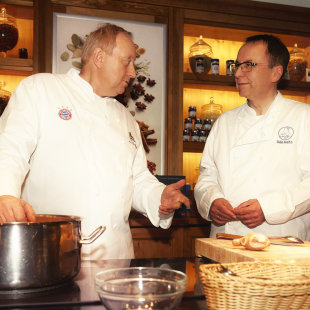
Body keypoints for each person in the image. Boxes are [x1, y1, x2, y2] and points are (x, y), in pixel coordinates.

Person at [0, 23, 190, 259]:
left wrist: (159, 197)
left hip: (116, 254)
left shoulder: (126, 118)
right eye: (126, 61)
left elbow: (138, 179)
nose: (132, 72)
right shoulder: (41, 89)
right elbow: (10, 147)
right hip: (50, 252)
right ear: (99, 57)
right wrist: (4, 194)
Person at [194, 34, 310, 240]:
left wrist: (267, 208)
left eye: (248, 65)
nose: (238, 73)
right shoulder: (224, 122)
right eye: (238, 66)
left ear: (276, 72)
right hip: (226, 239)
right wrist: (212, 201)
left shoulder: (303, 117)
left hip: (281, 245)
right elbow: (206, 176)